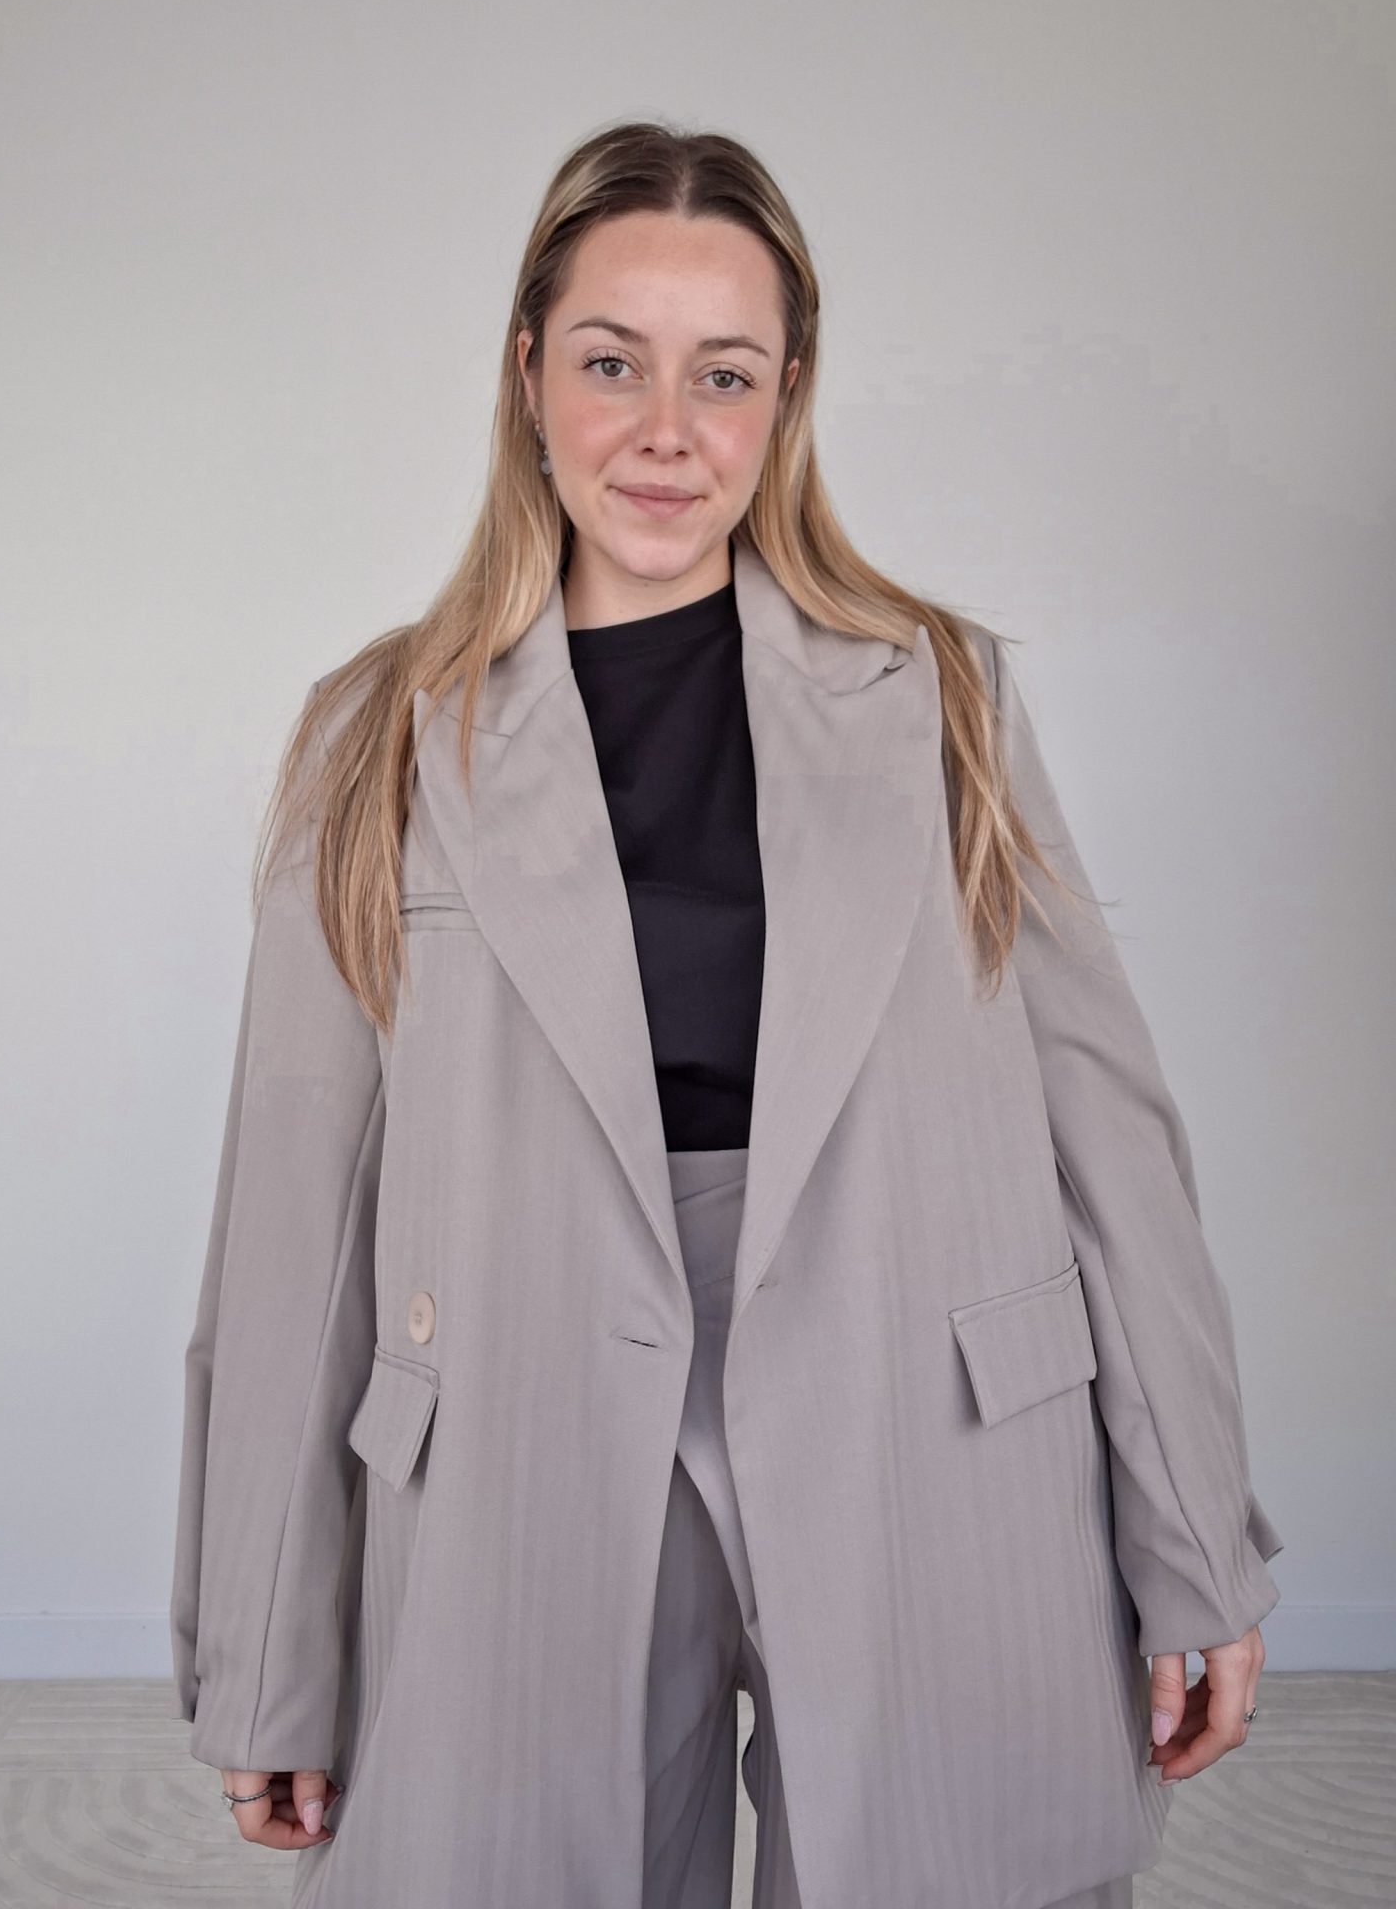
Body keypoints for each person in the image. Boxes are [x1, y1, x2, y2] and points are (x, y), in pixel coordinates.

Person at [170, 119, 1282, 1909]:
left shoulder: (942, 696)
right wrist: (266, 1653)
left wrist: (1197, 1541)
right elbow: (291, 1228)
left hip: (929, 1409)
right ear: (529, 374)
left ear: (789, 398)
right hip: (521, 1421)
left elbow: (1106, 1137)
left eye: (725, 374)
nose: (665, 431)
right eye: (613, 363)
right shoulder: (378, 739)